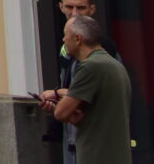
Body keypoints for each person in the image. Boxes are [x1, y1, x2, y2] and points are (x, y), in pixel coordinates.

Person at [50, 15, 129, 164]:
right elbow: (98, 116)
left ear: (78, 39)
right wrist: (74, 116)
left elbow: (60, 113)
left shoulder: (90, 67)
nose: (63, 40)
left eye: (65, 35)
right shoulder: (115, 65)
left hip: (97, 157)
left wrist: (57, 97)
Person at [35, 0, 97, 161]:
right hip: (72, 135)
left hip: (90, 137)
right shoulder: (66, 49)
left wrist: (56, 93)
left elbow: (86, 95)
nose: (75, 14)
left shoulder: (100, 51)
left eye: (81, 8)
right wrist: (56, 104)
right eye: (70, 7)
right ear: (61, 7)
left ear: (92, 9)